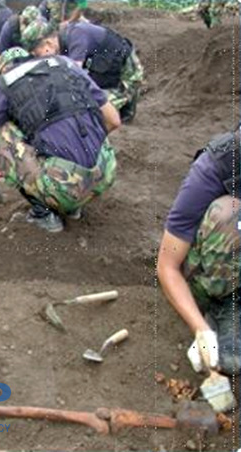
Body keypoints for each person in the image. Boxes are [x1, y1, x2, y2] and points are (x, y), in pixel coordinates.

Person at [0, 48, 121, 233]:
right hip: (105, 174)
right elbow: (114, 120)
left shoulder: (1, 86)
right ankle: (74, 205)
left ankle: (44, 213)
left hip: (63, 188)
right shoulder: (64, 63)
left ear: (1, 69)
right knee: (83, 116)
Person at [157, 127, 240, 378]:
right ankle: (222, 302)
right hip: (211, 263)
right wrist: (201, 330)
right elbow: (167, 265)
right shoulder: (218, 165)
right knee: (230, 216)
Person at [21, 18, 144, 123]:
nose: (40, 59)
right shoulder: (63, 43)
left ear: (48, 44)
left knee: (93, 111)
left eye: (38, 54)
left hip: (128, 73)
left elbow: (73, 77)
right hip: (105, 70)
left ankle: (126, 101)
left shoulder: (76, 36)